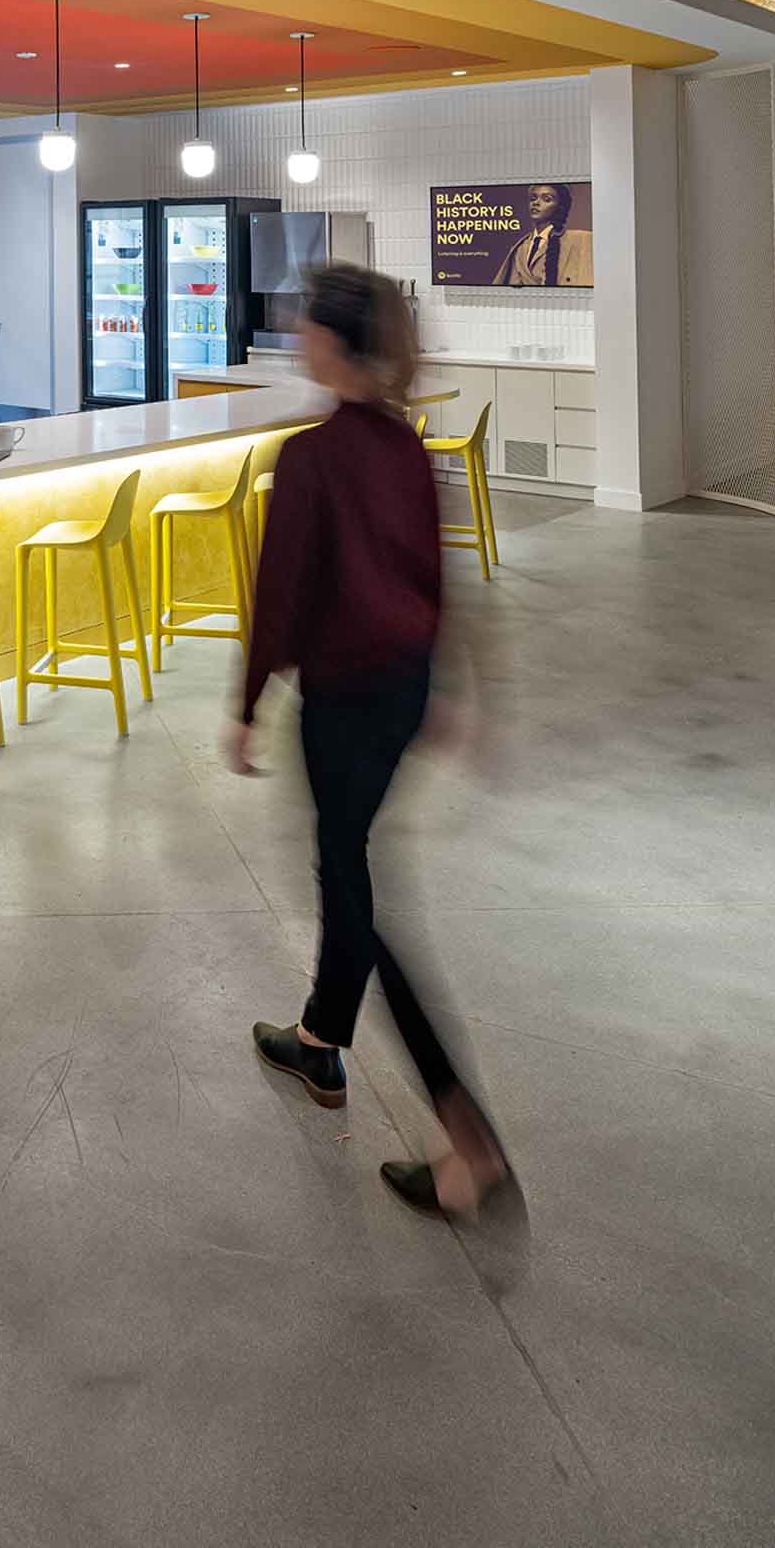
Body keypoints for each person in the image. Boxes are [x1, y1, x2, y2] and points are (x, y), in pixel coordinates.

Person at [223, 262, 520, 1228]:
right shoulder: (403, 443)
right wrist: (449, 687)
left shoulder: (312, 457)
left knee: (358, 892)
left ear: (330, 344)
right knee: (346, 857)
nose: (297, 337)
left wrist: (245, 702)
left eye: (306, 326)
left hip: (346, 695)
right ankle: (319, 1036)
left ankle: (465, 1134)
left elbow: (282, 596)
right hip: (403, 685)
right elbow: (438, 569)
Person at [490, 180, 592, 288]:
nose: (536, 203)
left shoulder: (579, 240)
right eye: (533, 198)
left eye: (547, 199)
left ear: (559, 207)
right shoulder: (520, 248)